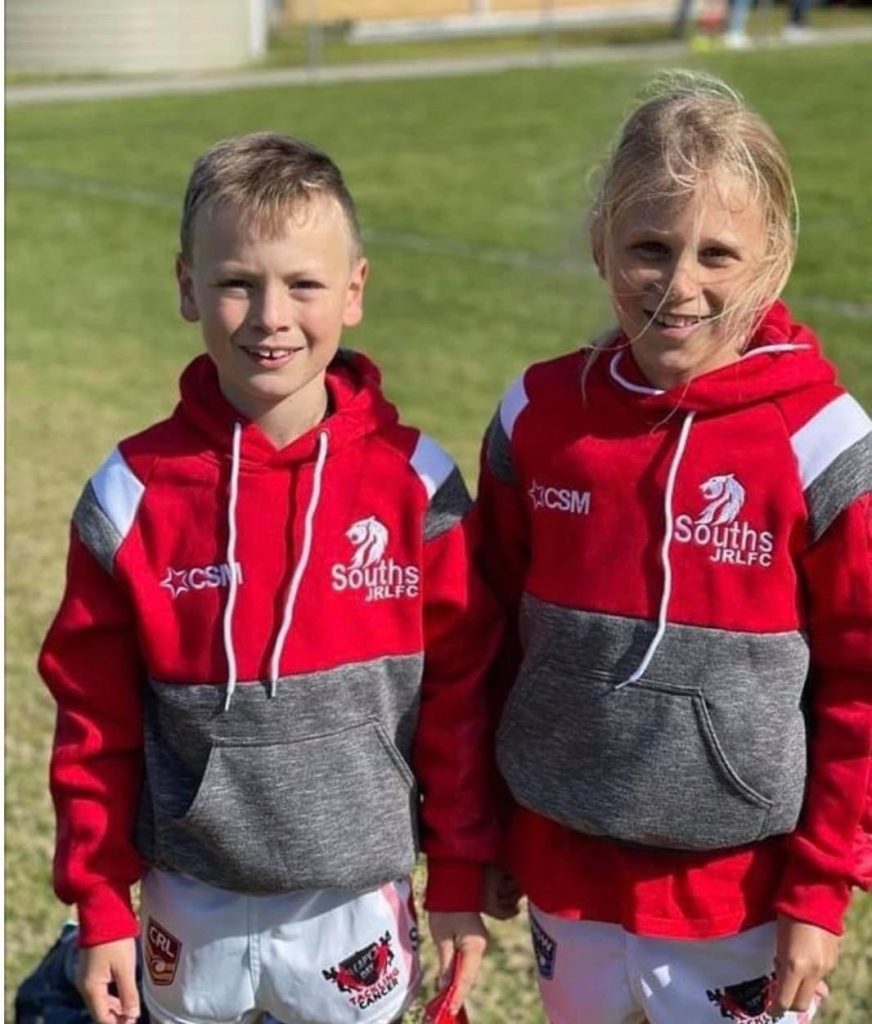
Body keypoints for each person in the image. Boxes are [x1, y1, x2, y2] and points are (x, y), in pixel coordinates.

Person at [39, 132, 503, 1024]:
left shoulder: (416, 486)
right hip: (189, 894)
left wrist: (457, 868)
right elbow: (92, 719)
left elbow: (461, 698)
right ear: (186, 287)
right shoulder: (131, 495)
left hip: (353, 897)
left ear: (355, 291)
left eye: (303, 284)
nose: (270, 316)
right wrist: (99, 903)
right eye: (236, 283)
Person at [476, 71, 871, 1024]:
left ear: (772, 260)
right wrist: (484, 828)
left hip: (740, 898)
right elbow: (486, 639)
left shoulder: (824, 443)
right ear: (601, 243)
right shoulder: (537, 416)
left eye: (717, 254)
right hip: (565, 870)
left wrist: (820, 888)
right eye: (649, 248)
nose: (680, 285)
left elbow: (862, 685)